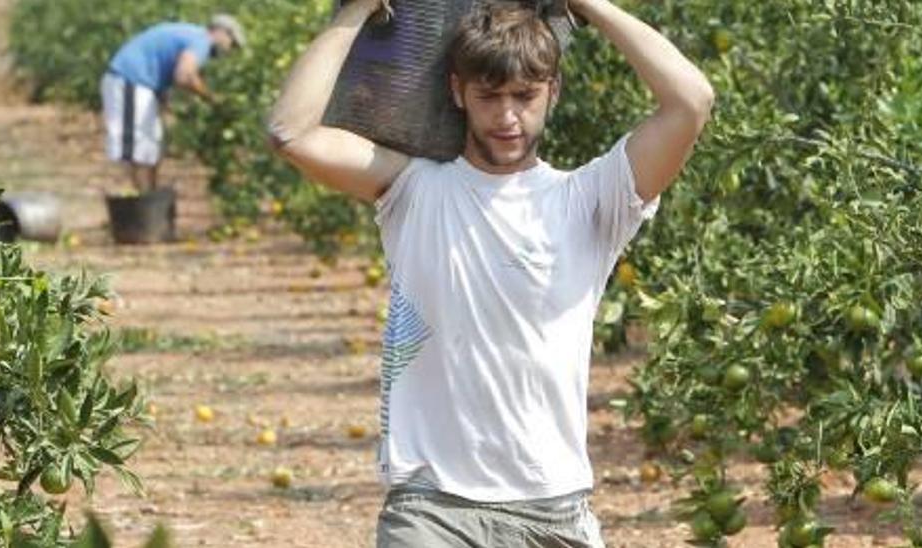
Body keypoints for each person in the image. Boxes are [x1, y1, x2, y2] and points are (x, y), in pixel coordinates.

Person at [268, 0, 713, 546]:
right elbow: (291, 132)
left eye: (525, 96)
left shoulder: (591, 201)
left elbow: (692, 101)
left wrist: (588, 6)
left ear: (553, 92)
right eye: (489, 96)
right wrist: (355, 12)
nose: (507, 117)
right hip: (430, 509)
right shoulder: (413, 189)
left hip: (554, 510)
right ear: (458, 93)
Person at [103, 14, 245, 193]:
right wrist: (212, 99)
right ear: (222, 33)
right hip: (130, 80)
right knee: (137, 147)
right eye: (231, 45)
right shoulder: (201, 40)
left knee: (150, 147)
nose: (228, 51)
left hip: (142, 86)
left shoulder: (191, 35)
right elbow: (184, 75)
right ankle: (140, 204)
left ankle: (148, 199)